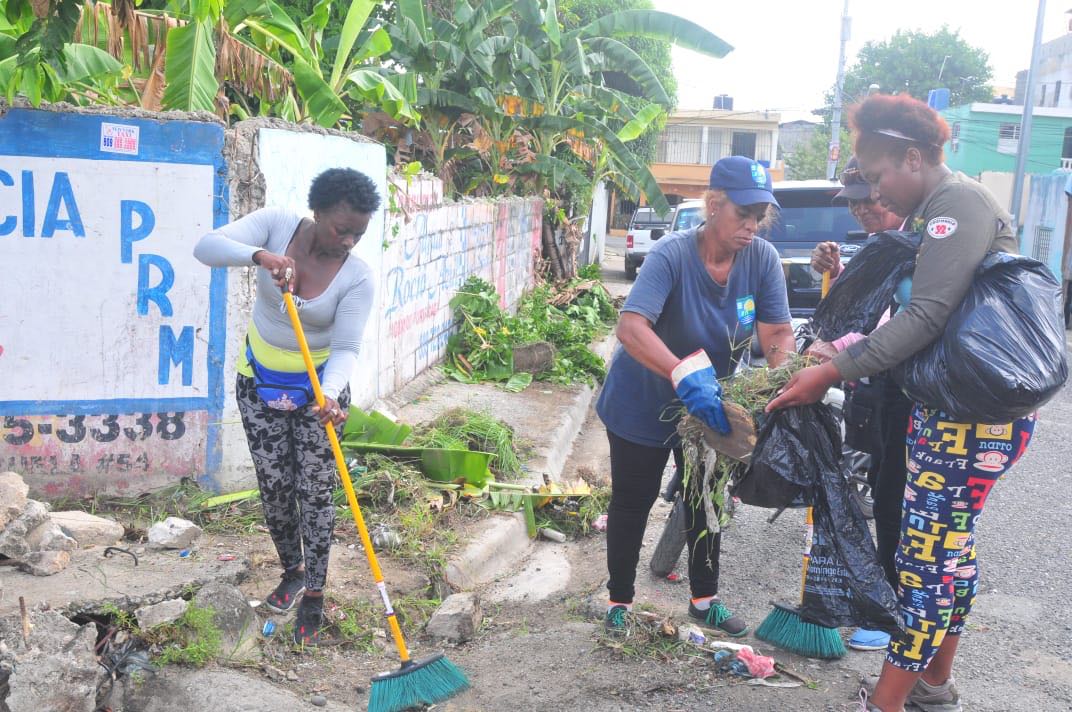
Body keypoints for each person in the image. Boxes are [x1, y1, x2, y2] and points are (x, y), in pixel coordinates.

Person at [767, 95, 1037, 712]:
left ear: (912, 158)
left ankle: (885, 703)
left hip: (967, 422)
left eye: (880, 174)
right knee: (952, 556)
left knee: (923, 568)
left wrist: (832, 369)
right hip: (963, 415)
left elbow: (927, 313)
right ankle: (933, 686)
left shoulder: (955, 205)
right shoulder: (940, 210)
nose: (877, 191)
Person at [596, 156, 796, 638]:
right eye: (741, 214)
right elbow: (631, 326)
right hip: (642, 401)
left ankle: (704, 601)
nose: (751, 225)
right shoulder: (672, 254)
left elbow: (776, 334)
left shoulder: (762, 259)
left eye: (758, 215)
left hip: (712, 410)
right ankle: (619, 600)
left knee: (705, 497)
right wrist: (683, 375)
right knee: (634, 499)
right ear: (713, 205)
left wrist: (783, 379)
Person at [194, 168, 380, 647]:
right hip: (258, 381)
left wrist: (331, 393)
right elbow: (206, 247)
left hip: (317, 392)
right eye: (342, 228)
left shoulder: (357, 278)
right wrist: (260, 257)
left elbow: (346, 348)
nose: (349, 240)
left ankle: (315, 593)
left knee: (316, 493)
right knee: (275, 487)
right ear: (318, 212)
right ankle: (292, 572)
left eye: (359, 232)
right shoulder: (277, 225)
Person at [808, 157, 911, 654]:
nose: (860, 209)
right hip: (877, 389)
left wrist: (834, 352)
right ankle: (891, 604)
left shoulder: (917, 243)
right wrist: (837, 272)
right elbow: (873, 306)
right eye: (851, 202)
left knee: (896, 502)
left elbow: (900, 322)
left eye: (866, 198)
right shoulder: (883, 245)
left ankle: (896, 613)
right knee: (884, 494)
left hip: (909, 393)